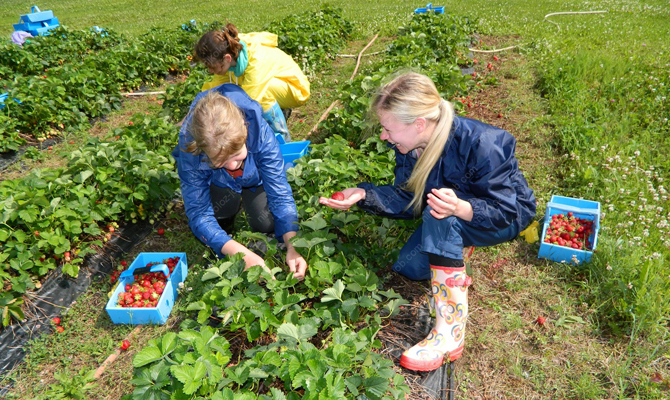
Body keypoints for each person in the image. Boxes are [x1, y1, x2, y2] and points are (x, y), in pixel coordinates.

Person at [319, 72, 536, 371]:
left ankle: (450, 334)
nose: (384, 136)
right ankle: (455, 243)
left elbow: (508, 210)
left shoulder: (483, 144)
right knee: (410, 267)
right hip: (455, 211)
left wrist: (462, 208)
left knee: (440, 217)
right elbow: (410, 201)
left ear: (418, 124)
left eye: (387, 128)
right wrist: (363, 194)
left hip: (501, 215)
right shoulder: (411, 147)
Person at [173, 83, 307, 279]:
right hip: (219, 183)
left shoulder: (259, 132)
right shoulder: (191, 150)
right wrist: (239, 253)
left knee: (266, 223)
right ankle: (224, 232)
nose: (232, 166)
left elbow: (280, 193)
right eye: (219, 161)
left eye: (237, 156)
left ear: (245, 131)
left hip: (255, 180)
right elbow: (199, 213)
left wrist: (292, 245)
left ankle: (248, 217)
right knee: (219, 213)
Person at [193, 23, 311, 143]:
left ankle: (283, 139)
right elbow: (215, 88)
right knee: (232, 91)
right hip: (273, 84)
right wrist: (196, 110)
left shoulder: (256, 59)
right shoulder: (230, 52)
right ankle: (278, 112)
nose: (210, 71)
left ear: (227, 59)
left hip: (294, 87)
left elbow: (250, 100)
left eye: (212, 67)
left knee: (260, 95)